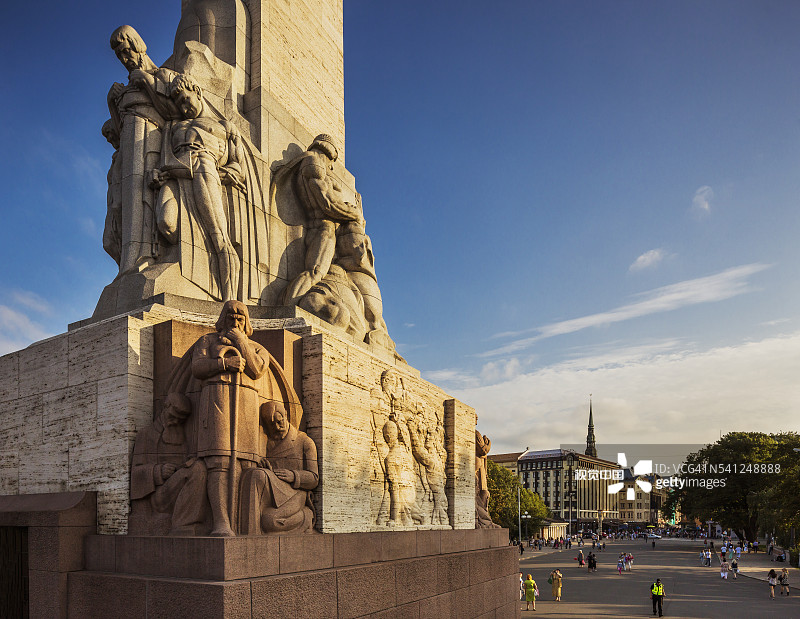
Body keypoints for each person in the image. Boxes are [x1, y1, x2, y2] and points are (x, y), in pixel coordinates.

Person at [153, 73, 244, 300]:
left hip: (204, 170)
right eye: (180, 103)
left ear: (198, 93)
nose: (184, 107)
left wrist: (224, 173)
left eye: (186, 99)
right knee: (166, 222)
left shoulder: (224, 126)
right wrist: (157, 174)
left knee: (219, 237)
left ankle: (229, 298)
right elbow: (163, 158)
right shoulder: (173, 126)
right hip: (175, 175)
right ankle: (193, 269)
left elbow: (238, 166)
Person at [191, 301, 270, 536]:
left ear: (247, 323)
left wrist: (240, 342)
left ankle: (245, 523)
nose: (235, 322)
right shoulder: (206, 341)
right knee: (219, 462)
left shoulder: (257, 348)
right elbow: (197, 368)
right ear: (222, 319)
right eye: (230, 317)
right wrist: (225, 363)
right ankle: (221, 522)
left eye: (240, 319)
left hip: (245, 403)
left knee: (246, 463)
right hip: (217, 399)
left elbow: (256, 370)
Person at [282, 134, 362, 305]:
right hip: (323, 229)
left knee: (314, 273)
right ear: (330, 152)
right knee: (315, 272)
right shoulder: (314, 163)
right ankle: (289, 308)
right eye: (333, 161)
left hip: (319, 228)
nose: (332, 167)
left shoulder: (310, 164)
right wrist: (353, 213)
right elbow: (328, 203)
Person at [130, 392, 207, 535]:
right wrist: (158, 471)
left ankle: (186, 523)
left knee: (199, 467)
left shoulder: (181, 436)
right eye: (172, 417)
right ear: (165, 407)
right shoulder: (146, 435)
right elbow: (135, 474)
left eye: (179, 420)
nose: (174, 422)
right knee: (198, 470)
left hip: (177, 491)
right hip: (158, 497)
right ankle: (183, 526)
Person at [237, 402, 319, 534]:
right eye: (272, 425)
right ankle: (249, 532)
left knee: (270, 521)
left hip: (295, 494)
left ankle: (306, 517)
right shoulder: (267, 443)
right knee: (254, 475)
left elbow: (314, 478)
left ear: (286, 415)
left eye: (279, 422)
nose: (277, 427)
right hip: (276, 490)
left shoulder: (304, 442)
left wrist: (293, 475)